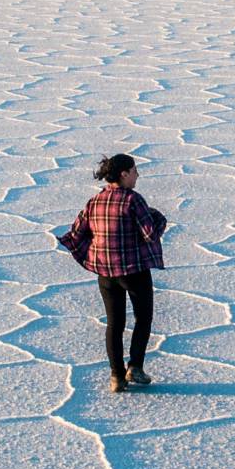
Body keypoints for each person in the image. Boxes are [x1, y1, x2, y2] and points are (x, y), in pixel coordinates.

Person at [58, 153, 167, 392]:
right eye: (134, 170)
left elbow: (76, 233)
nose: (137, 175)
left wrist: (95, 253)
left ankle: (117, 377)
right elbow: (150, 233)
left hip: (106, 274)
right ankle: (135, 367)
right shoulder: (133, 200)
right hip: (134, 271)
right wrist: (159, 218)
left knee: (115, 324)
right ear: (123, 174)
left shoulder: (94, 201)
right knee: (143, 318)